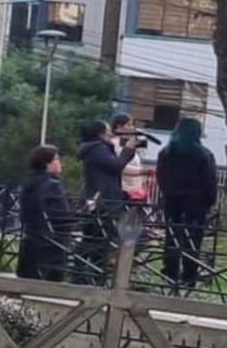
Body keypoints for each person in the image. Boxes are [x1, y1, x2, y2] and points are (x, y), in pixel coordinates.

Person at [156, 117, 218, 290]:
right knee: (193, 240)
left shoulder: (165, 153)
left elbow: (160, 176)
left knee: (172, 237)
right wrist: (209, 201)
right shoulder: (204, 154)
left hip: (172, 201)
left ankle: (169, 273)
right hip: (196, 203)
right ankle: (189, 276)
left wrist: (168, 193)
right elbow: (210, 180)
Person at [76, 121, 137, 284]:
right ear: (101, 133)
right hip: (102, 201)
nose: (111, 134)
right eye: (109, 130)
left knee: (95, 240)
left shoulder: (97, 149)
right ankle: (89, 274)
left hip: (101, 199)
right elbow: (116, 165)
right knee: (98, 240)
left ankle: (89, 274)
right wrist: (128, 150)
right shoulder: (97, 149)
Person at [17, 145, 72, 282]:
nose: (60, 163)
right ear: (47, 163)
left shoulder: (28, 183)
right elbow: (61, 216)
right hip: (52, 245)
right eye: (57, 159)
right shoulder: (53, 185)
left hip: (30, 241)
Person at [109, 114, 150, 202]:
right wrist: (141, 171)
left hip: (134, 189)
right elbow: (119, 165)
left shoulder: (128, 143)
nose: (132, 128)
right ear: (119, 126)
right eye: (129, 125)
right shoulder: (114, 144)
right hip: (123, 189)